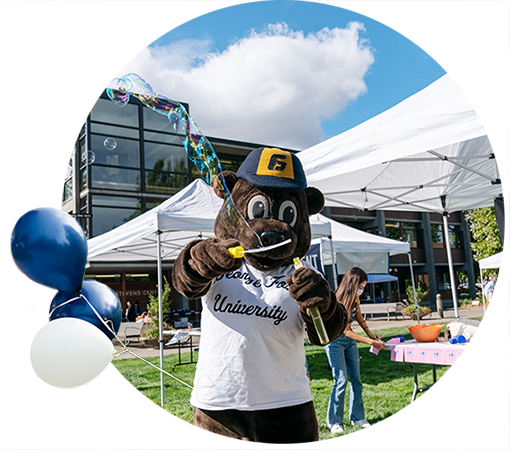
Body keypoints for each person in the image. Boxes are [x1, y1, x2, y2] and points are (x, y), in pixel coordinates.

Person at [325, 267, 385, 434]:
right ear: (353, 284)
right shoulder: (339, 301)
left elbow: (358, 317)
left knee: (356, 380)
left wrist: (370, 332)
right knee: (341, 380)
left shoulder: (355, 299)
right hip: (335, 342)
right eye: (362, 286)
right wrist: (370, 342)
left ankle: (357, 417)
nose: (363, 289)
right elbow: (346, 331)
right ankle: (334, 421)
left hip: (349, 342)